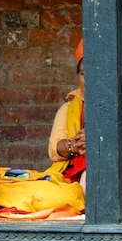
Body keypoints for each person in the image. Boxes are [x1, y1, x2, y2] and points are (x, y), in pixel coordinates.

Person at [47, 39, 86, 190]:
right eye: (83, 74)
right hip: (70, 176)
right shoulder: (69, 108)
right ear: (77, 75)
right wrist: (75, 145)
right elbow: (55, 148)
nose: (89, 80)